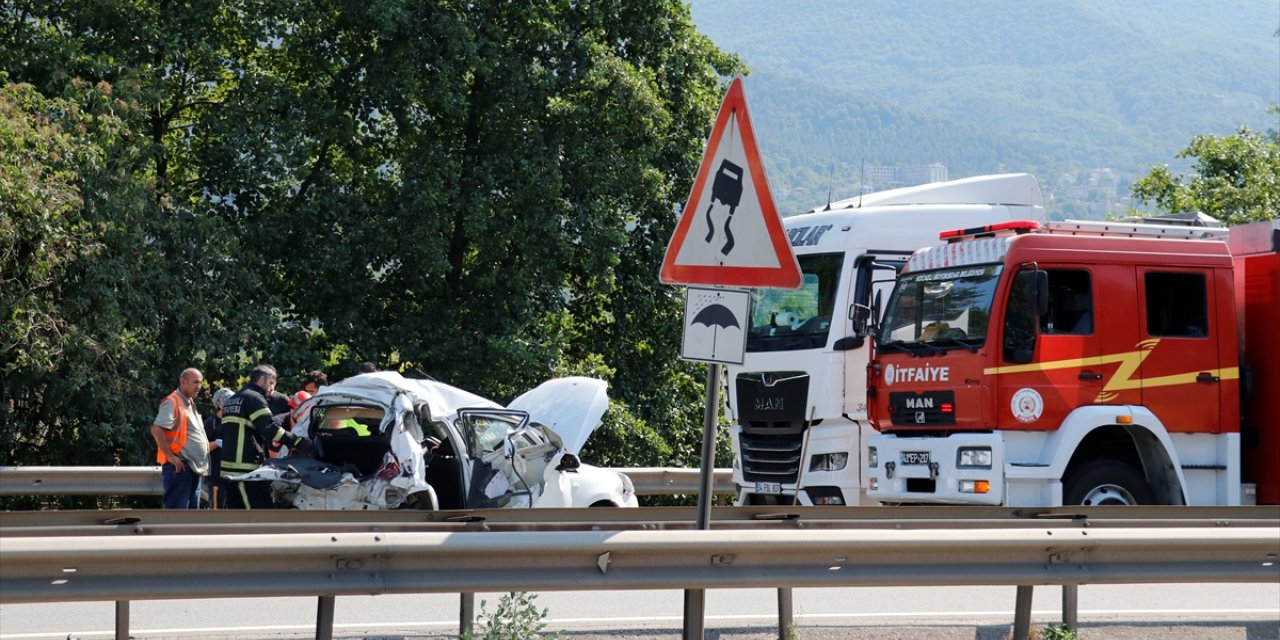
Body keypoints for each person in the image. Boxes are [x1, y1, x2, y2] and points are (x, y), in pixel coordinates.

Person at [219, 364, 313, 509]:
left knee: (236, 514)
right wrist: (297, 441)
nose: (272, 389)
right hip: (246, 469)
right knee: (258, 513)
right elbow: (270, 429)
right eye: (271, 383)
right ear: (262, 380)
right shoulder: (255, 398)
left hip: (228, 468)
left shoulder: (233, 400)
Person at [150, 368, 210, 509]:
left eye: (200, 383)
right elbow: (156, 429)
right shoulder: (172, 402)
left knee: (189, 522)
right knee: (177, 519)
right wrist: (171, 457)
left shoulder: (188, 403)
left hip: (192, 469)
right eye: (195, 382)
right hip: (180, 468)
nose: (198, 387)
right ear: (183, 382)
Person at [201, 388, 234, 509]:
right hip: (216, 475)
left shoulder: (234, 422)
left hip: (232, 475)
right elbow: (202, 448)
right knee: (216, 509)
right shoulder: (211, 423)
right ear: (220, 404)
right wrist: (216, 443)